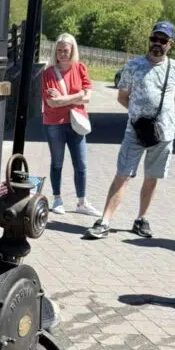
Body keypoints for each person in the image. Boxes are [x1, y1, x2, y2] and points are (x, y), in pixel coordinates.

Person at [86, 20, 175, 240]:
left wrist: (162, 117)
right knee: (123, 174)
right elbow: (123, 97)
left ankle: (141, 219)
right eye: (154, 39)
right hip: (135, 131)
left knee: (152, 177)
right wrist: (140, 116)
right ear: (149, 40)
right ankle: (104, 221)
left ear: (170, 44)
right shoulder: (133, 66)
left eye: (163, 40)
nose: (157, 43)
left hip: (165, 133)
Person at [41, 33, 100, 217]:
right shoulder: (48, 73)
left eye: (65, 50)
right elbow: (51, 103)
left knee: (81, 164)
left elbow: (88, 97)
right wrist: (78, 96)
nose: (62, 54)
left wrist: (64, 99)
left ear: (72, 50)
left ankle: (82, 201)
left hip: (76, 122)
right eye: (59, 50)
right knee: (57, 163)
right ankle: (57, 199)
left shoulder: (80, 68)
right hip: (54, 123)